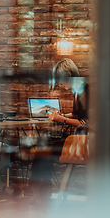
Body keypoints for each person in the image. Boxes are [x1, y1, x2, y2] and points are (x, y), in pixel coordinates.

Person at [29, 59, 88, 208]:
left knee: (45, 143)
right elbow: (77, 115)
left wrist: (61, 119)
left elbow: (86, 123)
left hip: (85, 140)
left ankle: (40, 188)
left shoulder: (84, 91)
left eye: (60, 80)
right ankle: (42, 188)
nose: (59, 85)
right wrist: (62, 114)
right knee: (45, 142)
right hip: (79, 137)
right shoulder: (78, 90)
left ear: (68, 74)